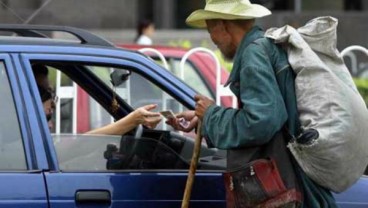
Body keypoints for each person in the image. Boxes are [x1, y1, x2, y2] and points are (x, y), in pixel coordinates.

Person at [167, 0, 337, 207]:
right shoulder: (262, 47)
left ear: (223, 25)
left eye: (211, 29)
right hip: (295, 180)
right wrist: (204, 118)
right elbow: (265, 112)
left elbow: (261, 122)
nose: (212, 39)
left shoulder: (253, 55)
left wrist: (212, 114)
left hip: (287, 185)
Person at [32, 64, 162, 135]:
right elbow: (70, 149)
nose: (53, 103)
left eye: (52, 91)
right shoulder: (24, 137)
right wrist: (130, 121)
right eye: (47, 93)